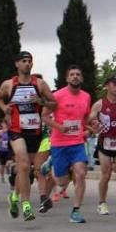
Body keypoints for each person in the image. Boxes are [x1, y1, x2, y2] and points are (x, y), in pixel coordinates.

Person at [0, 52, 57, 221]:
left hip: (34, 132)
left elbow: (54, 104)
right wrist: (4, 107)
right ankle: (26, 205)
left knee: (27, 170)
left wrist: (41, 101)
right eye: (24, 61)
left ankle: (14, 197)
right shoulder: (9, 84)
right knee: (22, 165)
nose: (28, 64)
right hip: (17, 130)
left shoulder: (40, 84)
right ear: (17, 64)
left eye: (30, 61)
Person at [43, 66, 92, 223]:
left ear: (82, 78)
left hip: (77, 142)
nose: (75, 77)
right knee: (61, 182)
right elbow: (44, 116)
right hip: (60, 143)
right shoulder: (57, 96)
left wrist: (90, 127)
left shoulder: (86, 97)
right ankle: (51, 165)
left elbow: (85, 118)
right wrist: (59, 127)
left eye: (78, 74)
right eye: (72, 74)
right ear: (67, 78)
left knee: (81, 173)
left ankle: (76, 211)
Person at [90, 74, 116, 215]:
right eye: (114, 84)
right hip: (104, 142)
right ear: (107, 86)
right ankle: (102, 203)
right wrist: (95, 124)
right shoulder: (100, 104)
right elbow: (90, 118)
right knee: (106, 174)